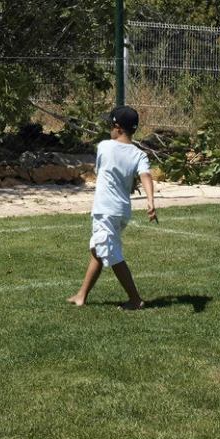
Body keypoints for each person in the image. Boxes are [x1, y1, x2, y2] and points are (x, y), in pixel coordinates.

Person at [68, 105, 156, 310]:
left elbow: (100, 170)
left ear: (117, 127)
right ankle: (82, 294)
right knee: (98, 249)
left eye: (110, 124)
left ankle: (135, 299)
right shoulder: (139, 154)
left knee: (110, 253)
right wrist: (151, 201)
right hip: (121, 210)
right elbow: (146, 176)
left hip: (106, 209)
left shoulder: (104, 147)